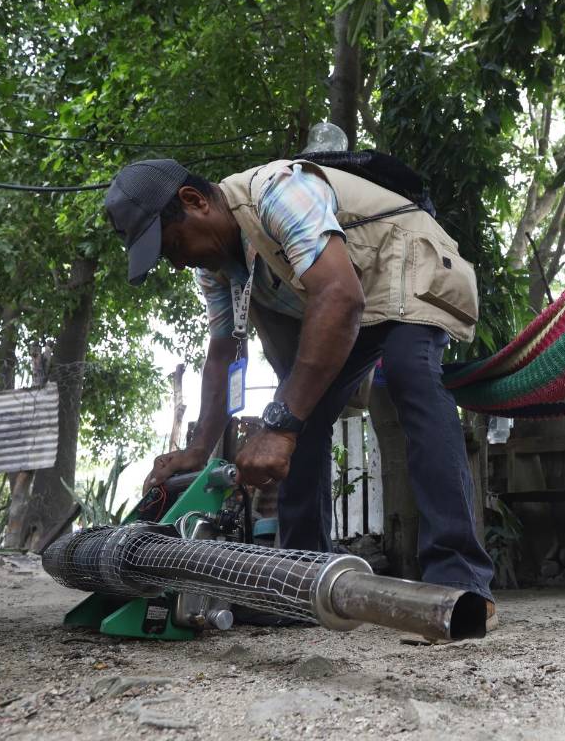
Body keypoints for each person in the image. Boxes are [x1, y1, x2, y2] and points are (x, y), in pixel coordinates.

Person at [102, 157, 496, 623]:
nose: (179, 260)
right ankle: (302, 584)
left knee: (410, 374)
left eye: (172, 245)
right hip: (352, 295)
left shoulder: (277, 192)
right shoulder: (216, 267)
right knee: (296, 414)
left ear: (194, 201)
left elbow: (340, 296)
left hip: (405, 261)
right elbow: (223, 351)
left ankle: (460, 579)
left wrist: (281, 425)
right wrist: (199, 450)